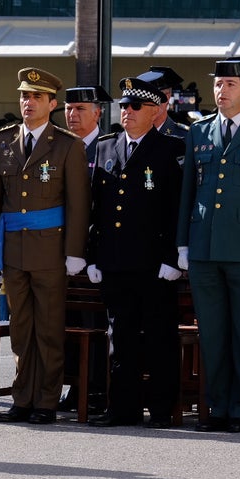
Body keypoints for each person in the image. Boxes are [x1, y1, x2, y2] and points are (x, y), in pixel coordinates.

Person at [177, 58, 240, 433]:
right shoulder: (199, 132)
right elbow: (188, 191)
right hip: (204, 248)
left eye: (230, 85)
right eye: (218, 84)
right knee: (213, 334)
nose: (221, 91)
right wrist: (182, 244)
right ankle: (217, 407)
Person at [0, 67, 90, 426]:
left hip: (50, 250)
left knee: (48, 329)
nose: (28, 102)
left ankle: (46, 399)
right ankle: (22, 398)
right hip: (13, 248)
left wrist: (75, 251)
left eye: (36, 97)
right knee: (20, 328)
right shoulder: (2, 140)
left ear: (52, 104)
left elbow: (79, 202)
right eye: (24, 96)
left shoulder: (67, 144)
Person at [85, 75, 184, 428]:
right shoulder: (106, 147)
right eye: (124, 105)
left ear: (155, 111)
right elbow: (97, 206)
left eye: (135, 106)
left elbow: (176, 208)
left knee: (158, 337)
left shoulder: (171, 149)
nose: (127, 111)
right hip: (115, 260)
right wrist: (93, 254)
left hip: (154, 263)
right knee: (120, 338)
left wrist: (173, 258)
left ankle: (160, 410)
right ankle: (122, 408)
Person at [59, 85, 112, 415]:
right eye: (68, 108)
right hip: (61, 250)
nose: (72, 115)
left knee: (95, 323)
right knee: (65, 321)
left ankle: (95, 387)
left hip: (93, 252)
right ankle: (73, 385)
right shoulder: (60, 147)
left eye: (80, 108)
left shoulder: (107, 148)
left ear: (98, 113)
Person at [145, 66, 189, 139]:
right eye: (147, 98)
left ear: (168, 96)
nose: (152, 102)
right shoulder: (135, 132)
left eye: (157, 97)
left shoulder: (184, 135)